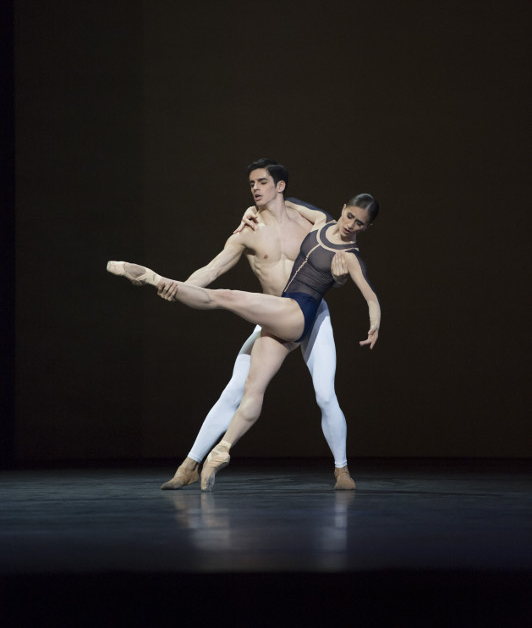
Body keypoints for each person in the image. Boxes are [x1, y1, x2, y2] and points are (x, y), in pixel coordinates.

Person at [108, 164, 380, 492]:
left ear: (280, 186)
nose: (254, 188)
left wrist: (342, 281)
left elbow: (333, 267)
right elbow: (213, 268)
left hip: (311, 315)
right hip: (270, 314)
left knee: (325, 395)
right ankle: (190, 465)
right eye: (251, 184)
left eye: (262, 182)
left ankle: (342, 470)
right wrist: (181, 288)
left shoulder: (311, 221)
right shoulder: (247, 231)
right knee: (236, 390)